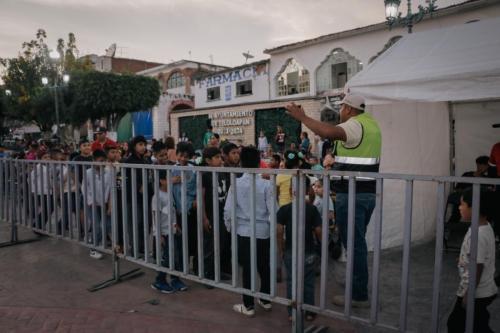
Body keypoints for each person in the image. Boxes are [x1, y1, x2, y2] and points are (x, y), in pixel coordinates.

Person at [286, 93, 381, 307]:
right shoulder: (371, 125)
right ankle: (358, 285)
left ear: (348, 108)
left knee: (354, 245)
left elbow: (327, 131)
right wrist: (335, 161)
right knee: (356, 243)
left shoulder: (355, 125)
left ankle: (359, 295)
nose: (340, 112)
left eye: (342, 108)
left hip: (352, 195)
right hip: (365, 193)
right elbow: (357, 158)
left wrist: (302, 117)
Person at [224, 146, 274, 317]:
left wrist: (230, 228)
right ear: (259, 162)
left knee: (247, 268)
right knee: (264, 265)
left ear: (242, 162)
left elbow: (228, 210)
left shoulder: (236, 184)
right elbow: (273, 211)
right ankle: (266, 299)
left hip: (244, 231)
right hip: (263, 231)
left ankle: (248, 305)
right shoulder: (267, 184)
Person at [447, 189, 497, 333]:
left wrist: (469, 295)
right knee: (478, 324)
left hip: (476, 292)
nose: (459, 207)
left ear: (474, 208)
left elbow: (478, 266)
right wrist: (464, 258)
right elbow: (477, 256)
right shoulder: (484, 226)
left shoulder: (479, 234)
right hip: (482, 290)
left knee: (455, 325)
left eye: (462, 204)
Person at [277, 177, 322, 321]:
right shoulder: (312, 209)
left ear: (291, 191)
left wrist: (281, 248)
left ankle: (292, 313)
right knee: (308, 281)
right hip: (308, 251)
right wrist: (320, 246)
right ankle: (309, 311)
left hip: (290, 250)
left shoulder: (284, 209)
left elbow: (279, 231)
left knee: (291, 281)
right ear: (308, 191)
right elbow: (319, 231)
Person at [150, 170, 188, 293]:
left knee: (174, 256)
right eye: (168, 178)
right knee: (167, 258)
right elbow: (156, 216)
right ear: (161, 181)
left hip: (172, 230)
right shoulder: (158, 196)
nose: (171, 180)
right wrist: (159, 234)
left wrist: (176, 225)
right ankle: (159, 281)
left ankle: (175, 279)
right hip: (164, 232)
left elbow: (171, 211)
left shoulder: (169, 193)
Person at [201, 147, 227, 280]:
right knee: (210, 246)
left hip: (222, 214)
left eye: (220, 157)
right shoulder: (205, 174)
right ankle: (207, 273)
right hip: (211, 215)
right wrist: (204, 218)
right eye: (216, 157)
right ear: (208, 160)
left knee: (220, 244)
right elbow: (201, 197)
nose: (220, 160)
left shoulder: (221, 172)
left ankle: (217, 271)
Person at [124, 135, 150, 257]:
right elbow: (127, 180)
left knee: (144, 223)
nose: (143, 147)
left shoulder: (145, 160)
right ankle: (134, 248)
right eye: (140, 145)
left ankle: (142, 247)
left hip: (144, 197)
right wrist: (138, 187)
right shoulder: (128, 161)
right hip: (132, 197)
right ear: (134, 146)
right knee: (134, 222)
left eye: (144, 145)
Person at [82, 149, 111, 260]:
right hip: (92, 203)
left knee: (106, 225)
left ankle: (95, 240)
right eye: (100, 161)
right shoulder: (88, 172)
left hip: (104, 203)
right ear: (94, 160)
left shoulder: (108, 172)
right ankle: (93, 249)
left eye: (104, 161)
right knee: (97, 226)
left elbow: (110, 190)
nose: (103, 163)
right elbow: (84, 188)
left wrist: (109, 205)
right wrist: (90, 201)